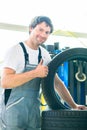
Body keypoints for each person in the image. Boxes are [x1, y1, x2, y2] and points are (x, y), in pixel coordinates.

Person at [1, 16, 87, 130]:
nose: (43, 35)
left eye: (47, 32)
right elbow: (5, 82)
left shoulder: (44, 54)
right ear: (31, 28)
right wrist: (35, 73)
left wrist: (74, 106)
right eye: (40, 30)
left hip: (33, 111)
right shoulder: (16, 51)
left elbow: (57, 83)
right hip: (12, 110)